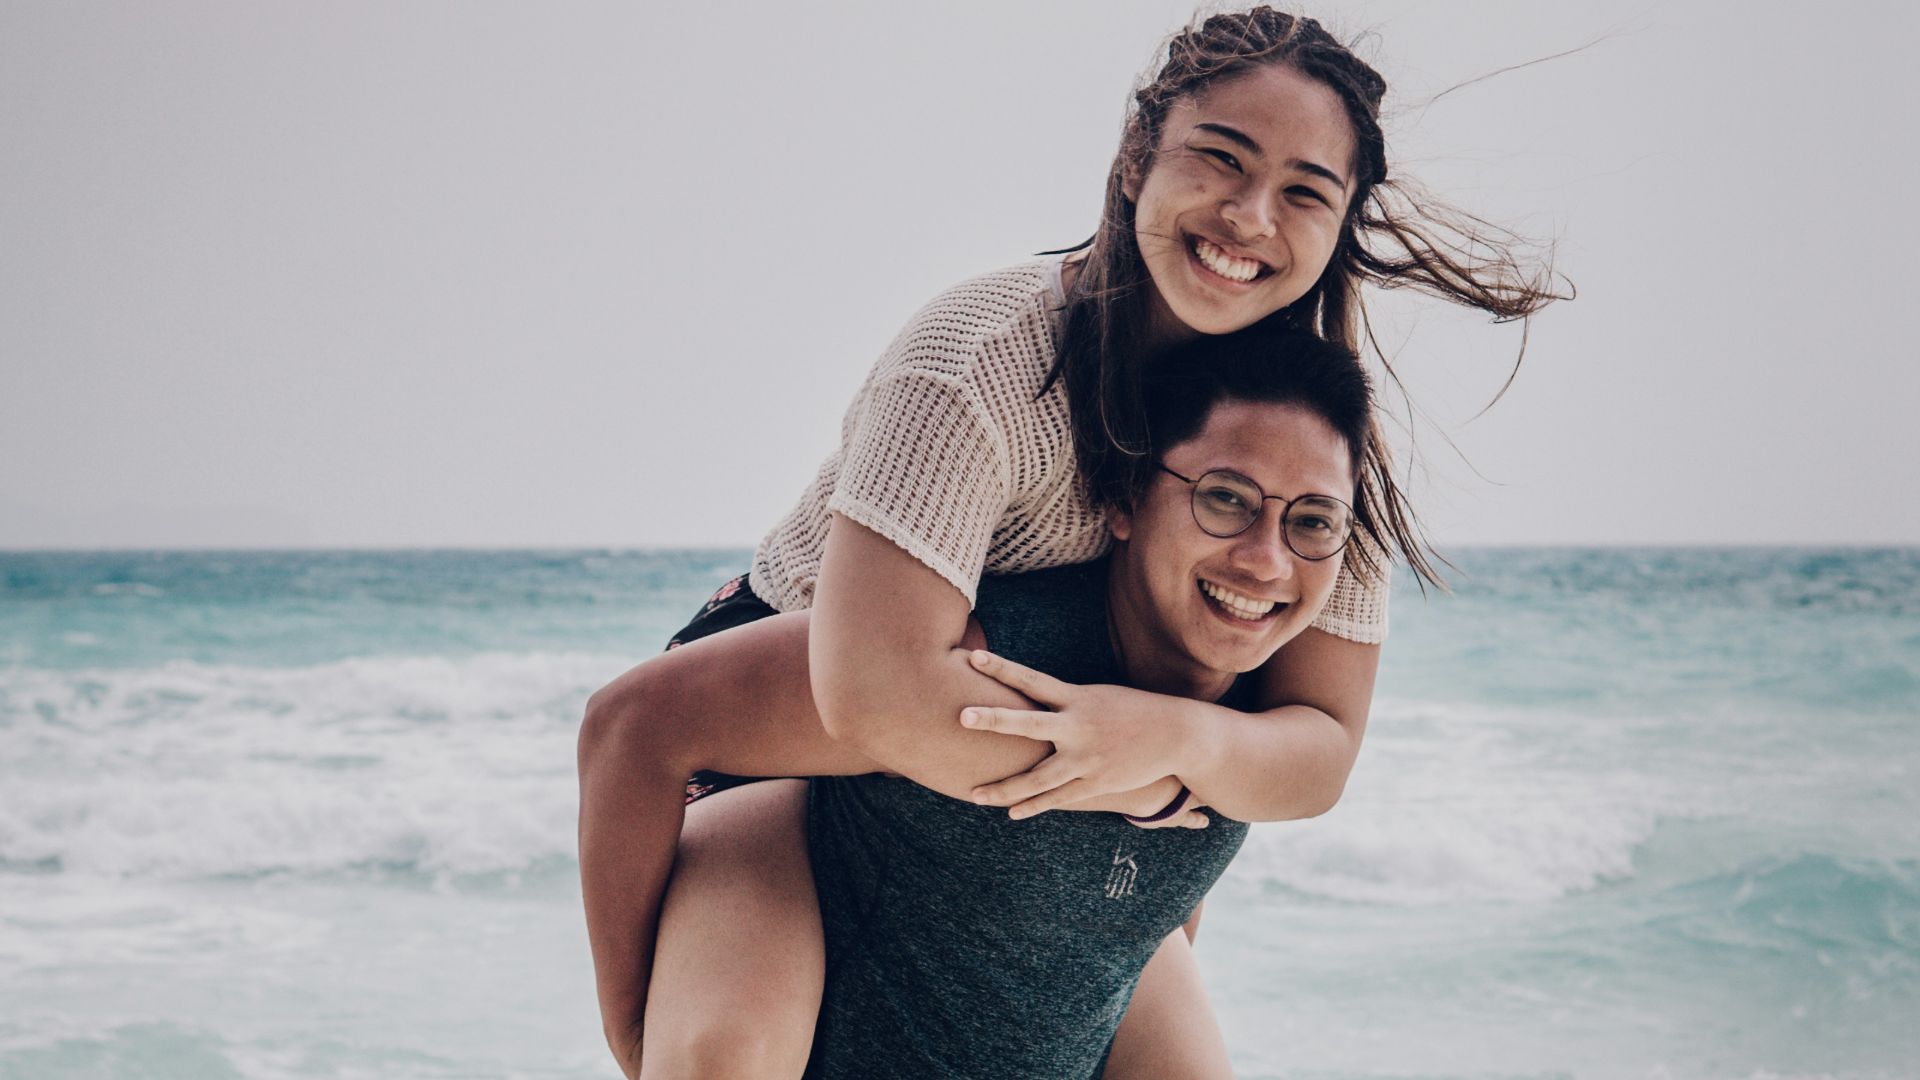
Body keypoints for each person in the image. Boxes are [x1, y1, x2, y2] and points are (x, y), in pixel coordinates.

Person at [577, 7, 1564, 1076]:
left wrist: (1177, 745)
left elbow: (1315, 744)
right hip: (796, 724)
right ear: (1139, 155)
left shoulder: (1309, 459)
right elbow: (869, 696)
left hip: (1055, 735)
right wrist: (635, 1032)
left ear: (1340, 223)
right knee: (720, 1056)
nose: (1248, 216)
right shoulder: (982, 362)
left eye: (1303, 193)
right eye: (1219, 160)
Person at [628, 324, 1374, 1077]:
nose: (1266, 561)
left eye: (1312, 521)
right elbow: (634, 723)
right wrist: (633, 1031)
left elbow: (1144, 899)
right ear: (1125, 498)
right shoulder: (977, 660)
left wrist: (1180, 747)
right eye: (1225, 499)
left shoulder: (1263, 719)